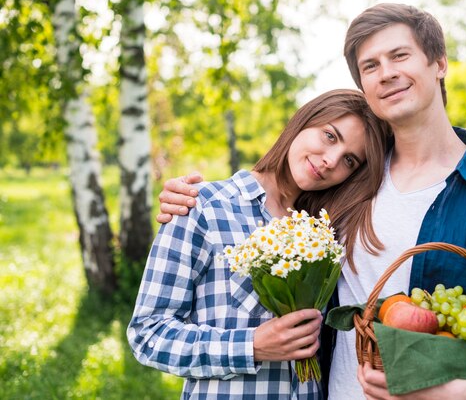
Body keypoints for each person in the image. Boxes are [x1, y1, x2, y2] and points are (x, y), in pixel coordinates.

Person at [157, 3, 466, 400]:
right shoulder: (346, 180)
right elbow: (268, 202)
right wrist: (191, 198)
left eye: (400, 56)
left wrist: (456, 394)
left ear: (439, 64)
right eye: (370, 66)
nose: (386, 73)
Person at [127, 89, 391, 400]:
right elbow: (148, 334)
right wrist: (251, 346)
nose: (331, 160)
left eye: (349, 160)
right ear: (303, 121)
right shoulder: (204, 207)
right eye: (330, 136)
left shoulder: (327, 234)